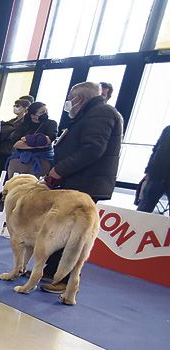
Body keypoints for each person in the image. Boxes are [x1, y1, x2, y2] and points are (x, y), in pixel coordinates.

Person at [42, 82, 123, 291]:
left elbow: (93, 149)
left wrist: (60, 169)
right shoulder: (91, 113)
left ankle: (64, 280)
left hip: (85, 183)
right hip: (77, 182)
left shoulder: (101, 113)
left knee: (75, 236)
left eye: (71, 97)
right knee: (64, 230)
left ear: (80, 98)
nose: (68, 102)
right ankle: (51, 271)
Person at [6, 102, 57, 177]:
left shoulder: (51, 123)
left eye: (46, 111)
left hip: (42, 160)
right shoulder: (24, 124)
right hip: (19, 159)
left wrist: (26, 139)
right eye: (42, 112)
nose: (45, 114)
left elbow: (48, 140)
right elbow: (16, 143)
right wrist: (37, 143)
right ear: (33, 115)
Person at [137, 123, 170, 213]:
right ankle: (138, 225)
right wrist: (148, 171)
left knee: (145, 206)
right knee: (144, 208)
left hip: (159, 175)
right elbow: (156, 150)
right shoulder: (168, 129)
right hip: (156, 175)